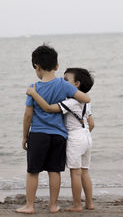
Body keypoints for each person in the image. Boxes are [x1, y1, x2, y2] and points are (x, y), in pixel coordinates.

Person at [16, 45, 90, 214]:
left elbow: (28, 115)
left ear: (37, 66)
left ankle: (29, 206)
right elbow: (85, 98)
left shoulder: (33, 87)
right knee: (54, 171)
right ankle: (53, 205)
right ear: (57, 66)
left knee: (33, 171)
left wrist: (24, 136)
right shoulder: (64, 85)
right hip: (59, 135)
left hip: (38, 134)